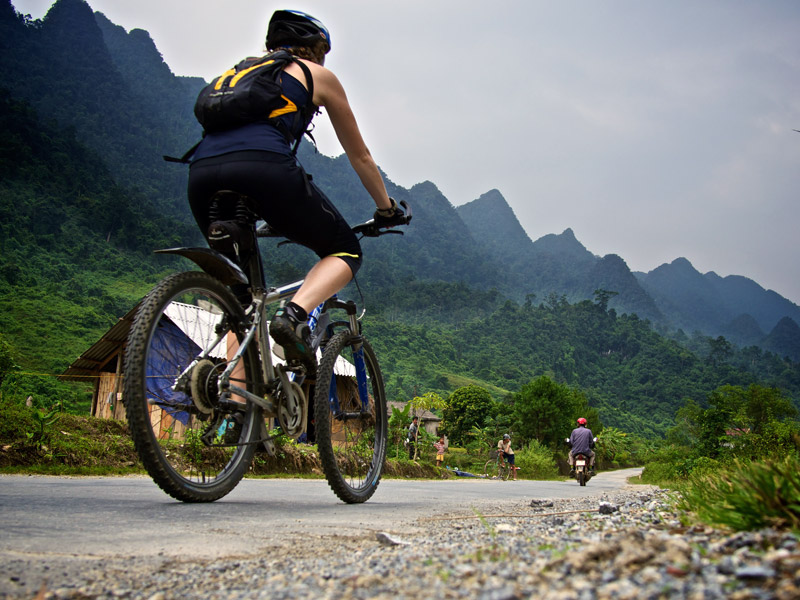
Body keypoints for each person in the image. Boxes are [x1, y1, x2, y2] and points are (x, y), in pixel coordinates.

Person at [187, 10, 407, 375]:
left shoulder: (239, 73)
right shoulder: (316, 75)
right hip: (264, 169)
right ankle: (291, 315)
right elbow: (360, 156)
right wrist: (386, 208)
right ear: (315, 49)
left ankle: (234, 402)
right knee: (345, 250)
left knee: (242, 303)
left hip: (201, 175)